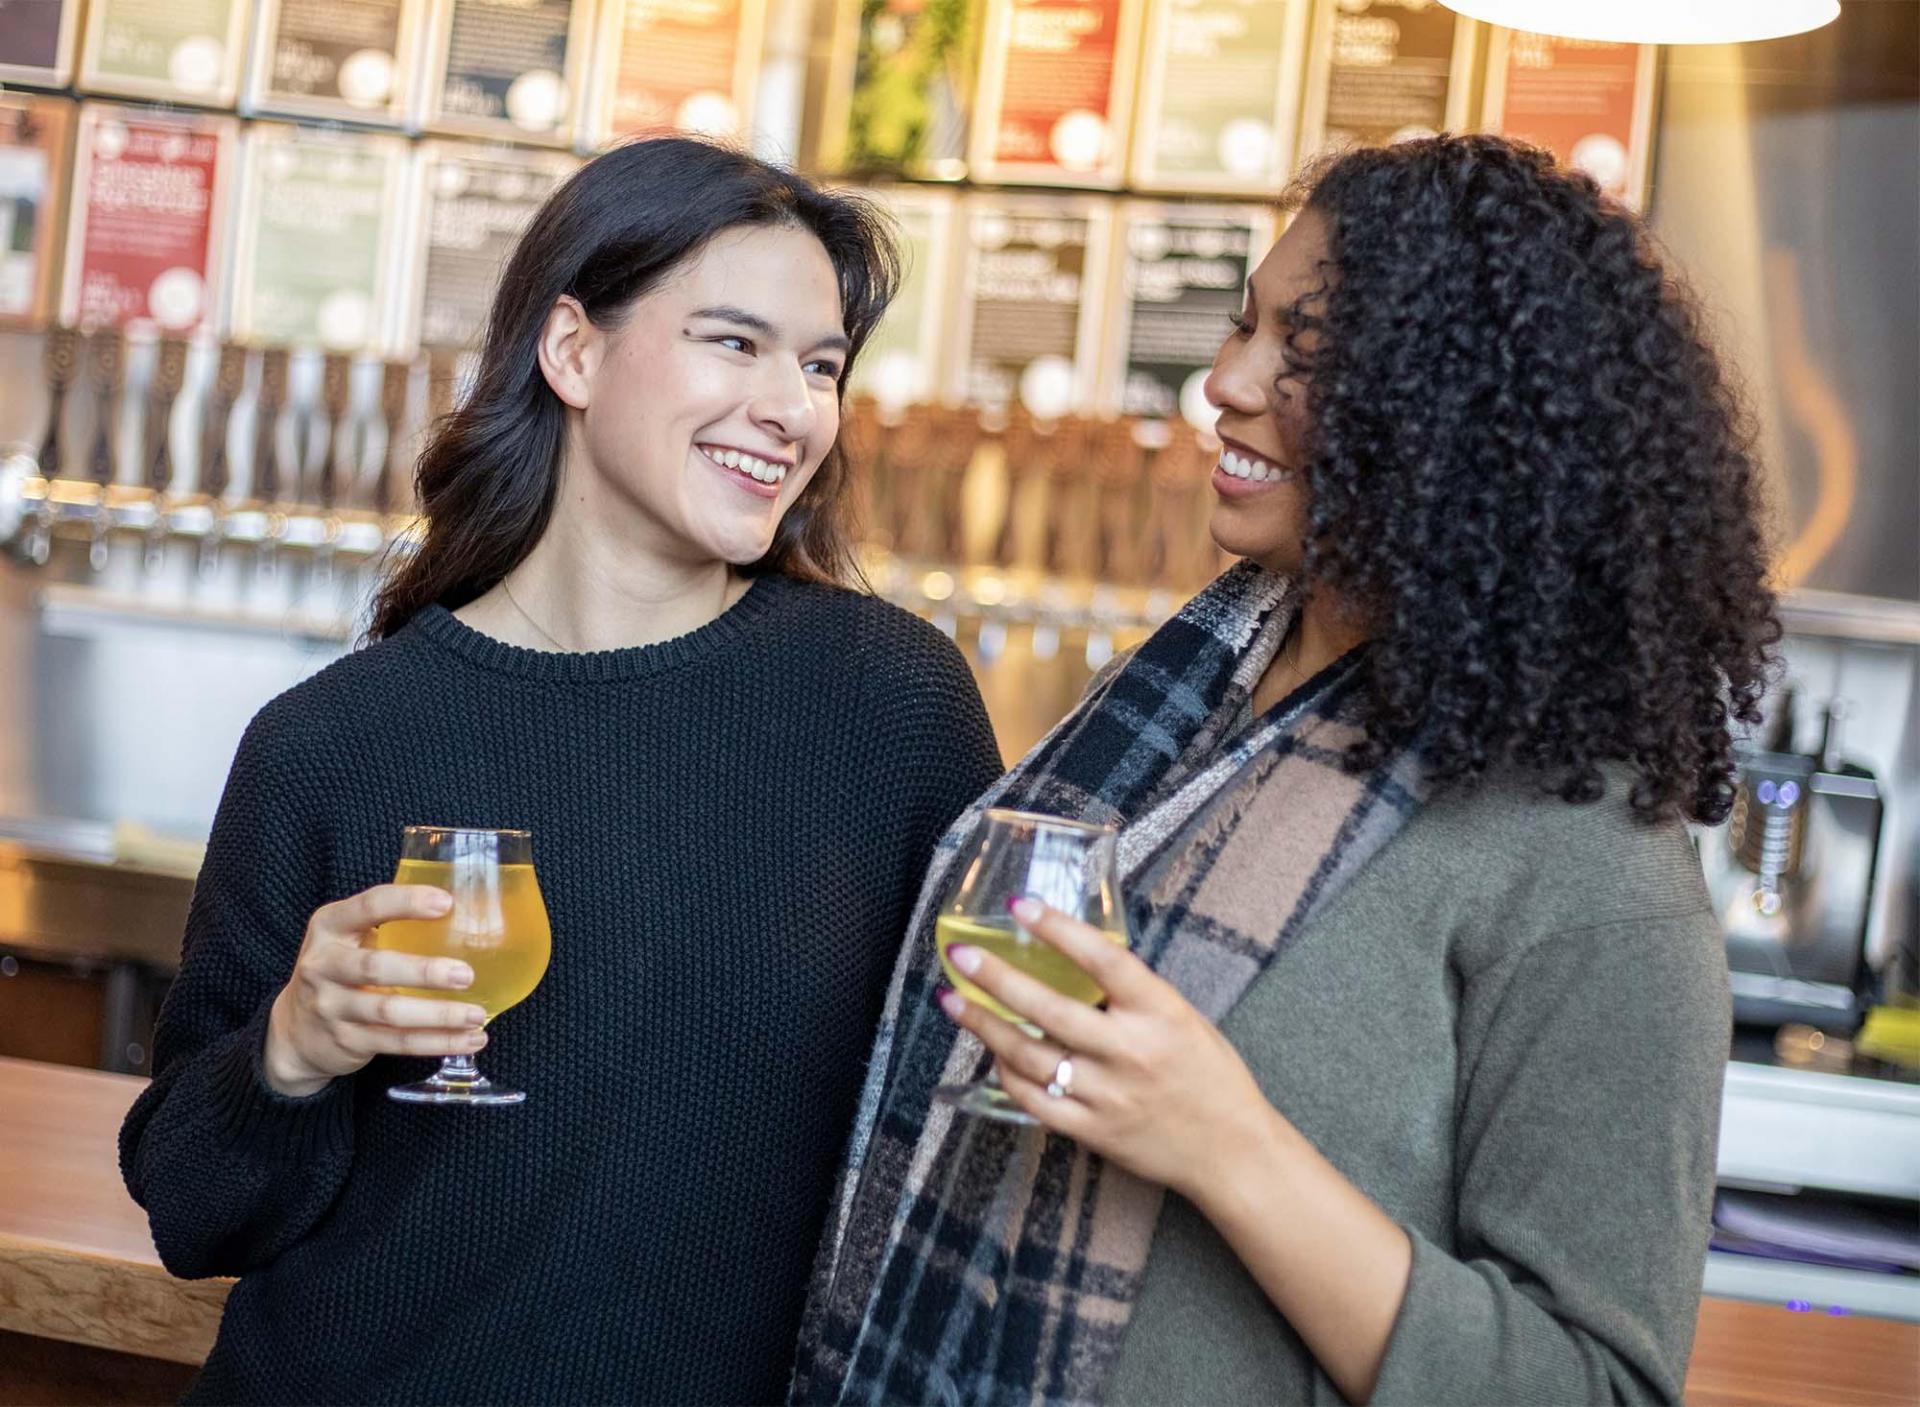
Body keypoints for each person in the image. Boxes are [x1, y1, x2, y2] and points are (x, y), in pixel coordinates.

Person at [793, 134, 1775, 1407]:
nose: (1225, 382)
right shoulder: (1179, 697)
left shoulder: (1585, 854)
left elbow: (1596, 1386)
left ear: (1460, 418)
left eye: (1305, 353)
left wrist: (1228, 1146)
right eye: (1245, 326)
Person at [120, 136, 1002, 1405]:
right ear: (574, 351)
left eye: (822, 366)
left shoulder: (888, 707)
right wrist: (290, 1052)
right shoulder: (333, 740)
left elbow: (970, 1133)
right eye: (735, 343)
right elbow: (192, 1213)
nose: (795, 408)